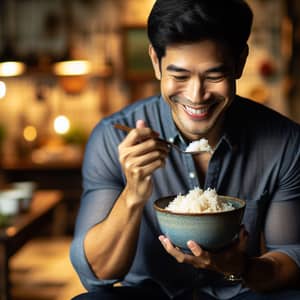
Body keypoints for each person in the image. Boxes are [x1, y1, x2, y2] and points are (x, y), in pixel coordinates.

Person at [70, 0, 300, 299]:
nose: (196, 97)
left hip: (242, 292)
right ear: (156, 62)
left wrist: (240, 267)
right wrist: (133, 194)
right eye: (179, 76)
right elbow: (98, 274)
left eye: (214, 76)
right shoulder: (111, 137)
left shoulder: (285, 142)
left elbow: (291, 257)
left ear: (240, 62)